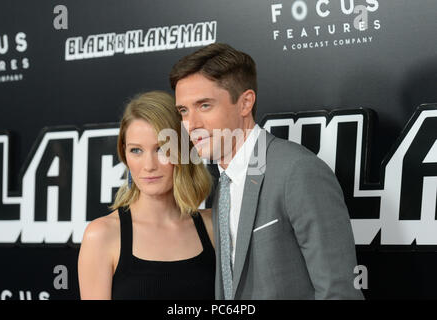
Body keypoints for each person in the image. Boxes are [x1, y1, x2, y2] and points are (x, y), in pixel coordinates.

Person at [169, 43, 364, 299]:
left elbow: (339, 291)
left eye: (204, 106)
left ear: (245, 103)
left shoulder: (297, 171)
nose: (191, 124)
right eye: (184, 110)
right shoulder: (225, 182)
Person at [77, 91, 215, 300]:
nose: (149, 166)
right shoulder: (102, 235)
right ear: (125, 154)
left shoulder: (214, 226)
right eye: (136, 151)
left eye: (161, 149)